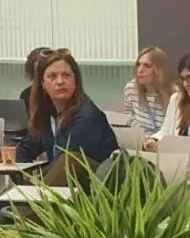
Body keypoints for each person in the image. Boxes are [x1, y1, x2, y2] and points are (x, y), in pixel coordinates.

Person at [16, 49, 120, 177]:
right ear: (42, 83)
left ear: (75, 80)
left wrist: (36, 181)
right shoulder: (46, 113)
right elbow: (29, 147)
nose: (60, 81)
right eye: (52, 76)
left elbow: (66, 164)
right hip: (62, 182)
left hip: (93, 183)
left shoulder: (87, 116)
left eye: (66, 75)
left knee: (67, 161)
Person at [121, 46, 173, 135]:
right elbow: (129, 116)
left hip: (165, 140)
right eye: (139, 64)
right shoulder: (131, 89)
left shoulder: (174, 95)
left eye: (147, 66)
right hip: (141, 138)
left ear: (159, 70)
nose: (140, 70)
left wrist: (155, 138)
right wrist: (142, 135)